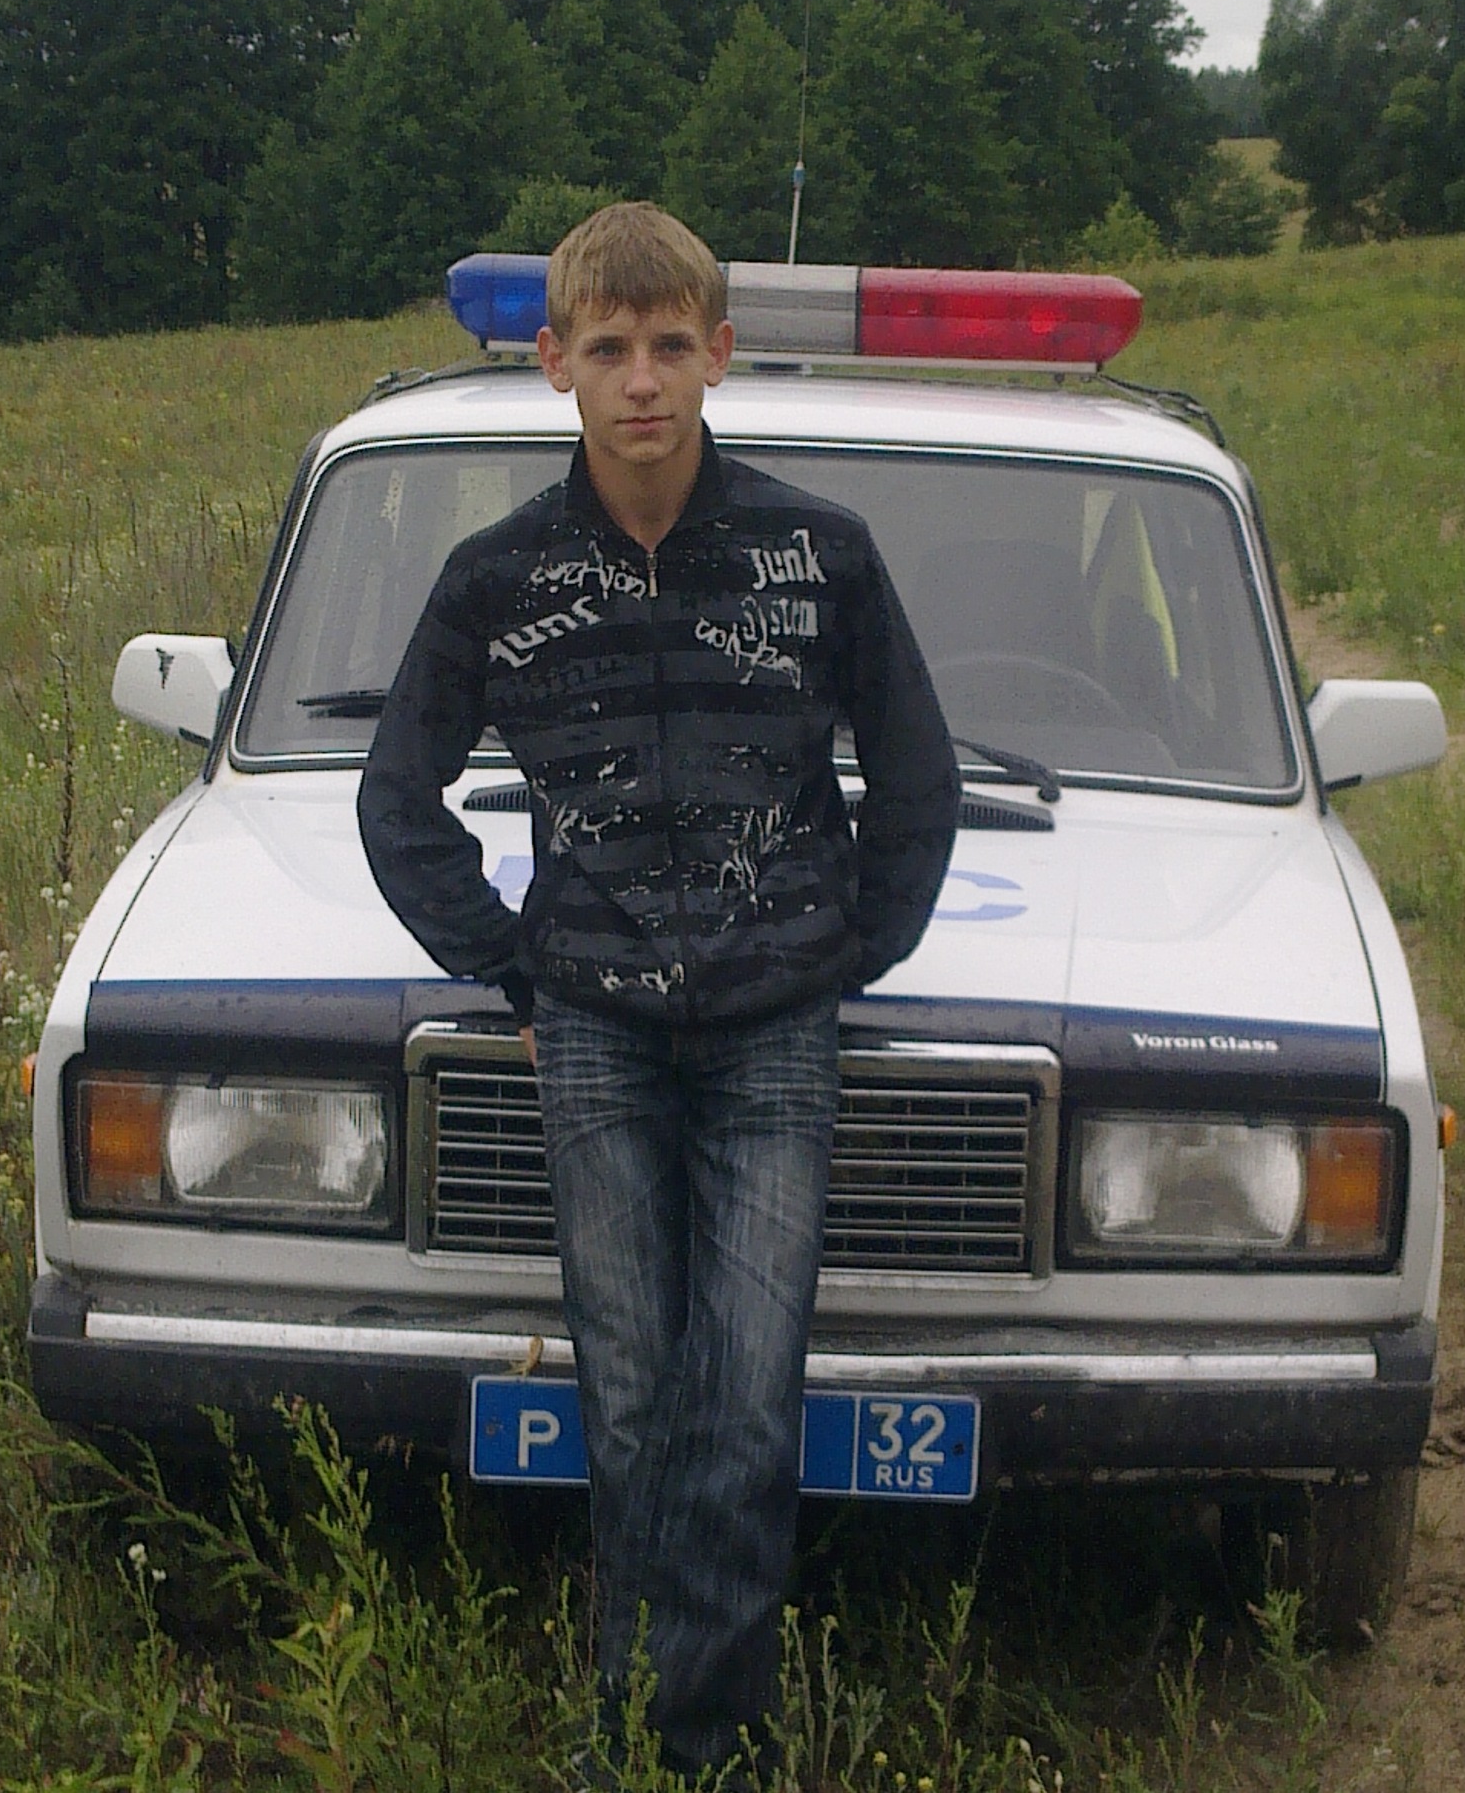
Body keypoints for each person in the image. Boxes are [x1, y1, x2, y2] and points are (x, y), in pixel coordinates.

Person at [357, 202, 959, 1782]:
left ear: (719, 356)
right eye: (610, 348)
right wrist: (509, 963)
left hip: (776, 1036)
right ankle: (641, 1739)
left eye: (670, 345)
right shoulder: (497, 577)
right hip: (594, 1035)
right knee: (628, 1406)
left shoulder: (819, 553)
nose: (642, 379)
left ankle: (708, 1747)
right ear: (554, 364)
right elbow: (397, 799)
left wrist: (853, 948)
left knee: (748, 1405)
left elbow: (918, 775)